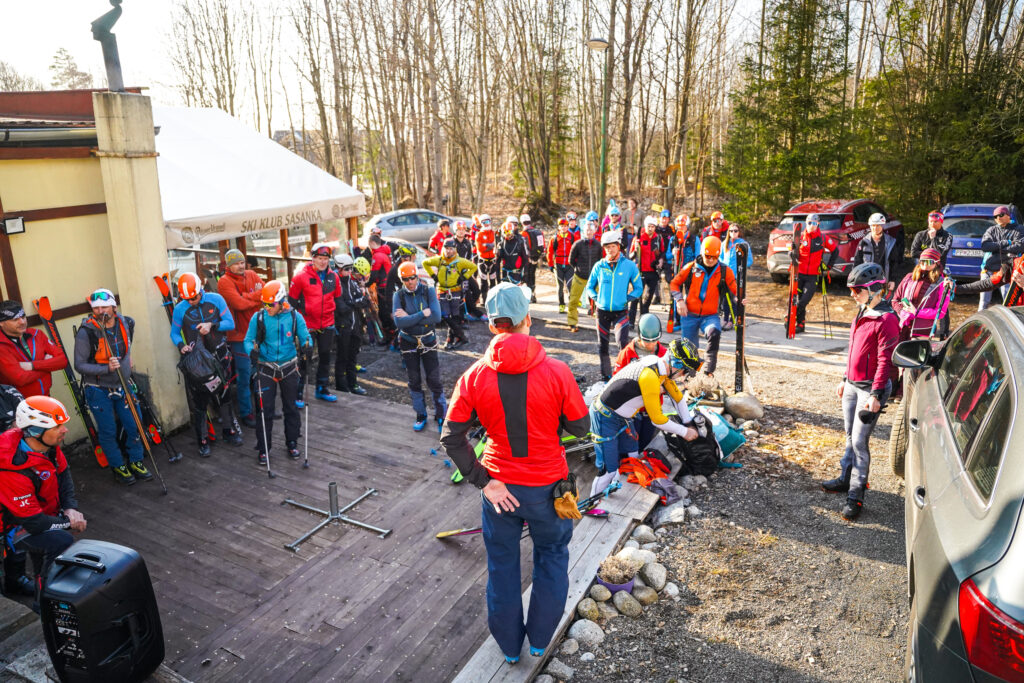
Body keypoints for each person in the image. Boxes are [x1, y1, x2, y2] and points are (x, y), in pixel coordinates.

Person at [440, 282, 589, 664]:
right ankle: (539, 641)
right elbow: (580, 428)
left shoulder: (472, 376)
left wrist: (485, 482)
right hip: (551, 487)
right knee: (553, 557)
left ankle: (509, 647)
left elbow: (451, 437)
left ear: (492, 326)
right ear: (528, 319)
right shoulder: (557, 371)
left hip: (499, 488)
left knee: (502, 567)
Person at [821, 262, 898, 521]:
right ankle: (845, 477)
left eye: (857, 290)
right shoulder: (862, 311)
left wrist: (876, 395)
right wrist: (845, 378)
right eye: (852, 289)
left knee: (859, 442)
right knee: (847, 435)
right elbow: (853, 348)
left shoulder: (887, 319)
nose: (852, 294)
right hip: (853, 385)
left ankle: (856, 493)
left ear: (876, 290)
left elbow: (885, 361)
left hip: (870, 391)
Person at [0, 396, 86, 610]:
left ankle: (39, 600)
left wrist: (70, 507)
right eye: (57, 426)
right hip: (12, 525)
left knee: (45, 553)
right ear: (35, 431)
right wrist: (67, 522)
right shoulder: (12, 468)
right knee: (58, 541)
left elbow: (63, 474)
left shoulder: (48, 446)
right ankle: (45, 603)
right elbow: (34, 523)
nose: (64, 430)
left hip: (35, 515)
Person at [589, 339, 700, 495]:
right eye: (684, 371)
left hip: (623, 417)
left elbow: (678, 398)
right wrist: (685, 431)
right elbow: (657, 419)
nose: (683, 375)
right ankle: (592, 506)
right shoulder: (650, 376)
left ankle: (618, 489)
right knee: (608, 468)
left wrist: (689, 422)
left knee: (633, 454)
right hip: (605, 416)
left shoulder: (659, 366)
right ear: (677, 365)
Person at [75, 289, 155, 483]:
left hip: (123, 384)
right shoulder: (86, 332)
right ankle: (118, 465)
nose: (100, 311)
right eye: (96, 308)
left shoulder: (126, 322)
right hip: (97, 388)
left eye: (104, 306)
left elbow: (127, 345)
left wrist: (127, 361)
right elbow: (79, 365)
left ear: (113, 306)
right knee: (108, 430)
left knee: (134, 424)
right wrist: (106, 368)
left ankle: (136, 460)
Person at [170, 275, 244, 458]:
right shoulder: (180, 309)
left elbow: (230, 323)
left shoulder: (215, 299)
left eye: (194, 297)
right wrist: (181, 346)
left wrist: (212, 325)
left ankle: (229, 431)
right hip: (197, 361)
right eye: (187, 299)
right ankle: (202, 441)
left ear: (200, 289)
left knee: (224, 395)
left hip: (219, 354)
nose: (192, 302)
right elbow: (174, 333)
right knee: (200, 401)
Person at [244, 281, 312, 466]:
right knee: (264, 409)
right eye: (264, 304)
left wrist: (308, 347)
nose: (268, 308)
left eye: (271, 304)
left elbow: (305, 336)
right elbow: (248, 340)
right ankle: (263, 447)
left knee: (291, 407)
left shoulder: (294, 316)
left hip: (289, 367)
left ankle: (292, 442)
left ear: (282, 301)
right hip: (266, 367)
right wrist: (252, 351)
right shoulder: (258, 318)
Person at [670, 237, 739, 377]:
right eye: (708, 256)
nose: (711, 260)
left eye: (714, 257)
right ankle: (691, 379)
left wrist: (742, 298)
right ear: (702, 252)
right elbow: (674, 284)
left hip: (710, 315)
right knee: (689, 351)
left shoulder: (725, 271)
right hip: (689, 315)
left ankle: (708, 371)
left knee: (714, 334)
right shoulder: (690, 267)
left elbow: (737, 290)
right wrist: (679, 300)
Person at [393, 261, 447, 432]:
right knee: (414, 380)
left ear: (417, 276)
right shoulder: (398, 296)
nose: (410, 282)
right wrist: (422, 314)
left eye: (413, 278)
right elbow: (399, 322)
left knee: (434, 380)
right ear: (401, 280)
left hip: (428, 339)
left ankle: (441, 416)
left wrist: (410, 317)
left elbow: (437, 317)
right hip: (408, 341)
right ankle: (420, 414)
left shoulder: (428, 290)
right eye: (406, 279)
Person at [585, 230, 643, 381]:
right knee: (602, 345)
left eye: (612, 246)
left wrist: (627, 298)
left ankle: (623, 375)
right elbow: (589, 286)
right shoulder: (599, 266)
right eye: (606, 247)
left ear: (618, 246)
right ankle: (605, 376)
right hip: (602, 312)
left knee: (622, 344)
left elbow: (639, 288)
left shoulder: (629, 266)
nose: (609, 250)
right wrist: (596, 298)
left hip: (621, 313)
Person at [288, 243, 341, 404]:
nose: (323, 262)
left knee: (325, 357)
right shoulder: (300, 277)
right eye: (320, 258)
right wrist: (298, 323)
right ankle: (297, 393)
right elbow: (291, 303)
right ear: (313, 258)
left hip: (327, 323)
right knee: (305, 359)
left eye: (326, 259)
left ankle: (322, 389)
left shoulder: (334, 276)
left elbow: (337, 298)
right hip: (308, 325)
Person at [217, 249, 264, 427]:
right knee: (244, 375)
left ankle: (261, 406)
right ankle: (246, 413)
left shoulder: (252, 274)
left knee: (260, 372)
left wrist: (247, 296)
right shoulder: (224, 282)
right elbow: (239, 304)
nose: (241, 265)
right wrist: (255, 297)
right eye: (237, 263)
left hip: (257, 333)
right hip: (238, 336)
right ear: (229, 265)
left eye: (242, 262)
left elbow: (266, 294)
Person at [613, 313, 671, 450]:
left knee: (645, 441)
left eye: (654, 341)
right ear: (639, 336)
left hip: (652, 410)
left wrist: (661, 389)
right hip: (632, 411)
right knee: (630, 443)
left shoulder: (663, 353)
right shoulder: (627, 353)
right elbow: (616, 380)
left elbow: (669, 380)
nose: (651, 345)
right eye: (647, 341)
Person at [0, 301, 66, 399]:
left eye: (23, 317)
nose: (22, 322)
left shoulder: (37, 334)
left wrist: (32, 365)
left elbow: (63, 361)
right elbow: (20, 378)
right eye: (15, 319)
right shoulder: (2, 346)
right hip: (19, 405)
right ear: (1, 323)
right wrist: (47, 366)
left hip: (46, 397)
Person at [423, 238, 478, 349]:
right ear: (444, 249)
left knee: (455, 315)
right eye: (447, 248)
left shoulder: (460, 261)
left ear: (455, 249)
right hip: (442, 291)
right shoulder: (439, 260)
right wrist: (433, 276)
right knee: (445, 315)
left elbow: (473, 267)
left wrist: (463, 277)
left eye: (451, 249)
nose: (449, 251)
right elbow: (425, 263)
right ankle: (462, 336)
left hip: (455, 291)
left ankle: (450, 340)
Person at [790, 214, 839, 334]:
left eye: (815, 223)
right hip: (798, 273)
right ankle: (800, 324)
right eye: (810, 223)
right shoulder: (799, 236)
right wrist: (791, 253)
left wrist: (829, 266)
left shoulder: (823, 238)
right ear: (806, 223)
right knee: (797, 299)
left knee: (804, 300)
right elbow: (791, 252)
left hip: (812, 275)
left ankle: (790, 316)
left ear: (818, 224)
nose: (812, 226)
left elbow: (835, 250)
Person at [891, 248, 952, 341]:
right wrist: (902, 312)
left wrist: (917, 312)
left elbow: (940, 312)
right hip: (903, 328)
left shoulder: (942, 283)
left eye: (929, 261)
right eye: (922, 261)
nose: (925, 264)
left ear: (937, 263)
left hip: (923, 333)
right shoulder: (909, 277)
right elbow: (895, 300)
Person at [333, 254, 369, 395]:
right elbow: (341, 308)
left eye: (351, 269)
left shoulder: (352, 283)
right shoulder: (335, 283)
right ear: (339, 268)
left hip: (355, 326)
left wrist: (352, 303)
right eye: (346, 269)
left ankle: (352, 384)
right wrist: (355, 302)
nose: (349, 272)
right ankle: (341, 386)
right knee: (342, 357)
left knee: (353, 357)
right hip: (343, 327)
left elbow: (365, 301)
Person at [978, 205, 1024, 310]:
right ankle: (979, 326)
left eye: (1001, 215)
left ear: (1008, 216)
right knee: (983, 303)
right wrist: (1006, 243)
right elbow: (985, 246)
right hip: (989, 270)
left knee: (1008, 304)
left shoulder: (1019, 229)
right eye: (995, 216)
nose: (998, 218)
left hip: (1007, 271)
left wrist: (996, 248)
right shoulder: (991, 230)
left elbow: (1019, 247)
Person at [566, 215, 603, 333]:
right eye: (586, 229)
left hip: (594, 277)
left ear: (594, 231)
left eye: (591, 229)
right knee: (573, 300)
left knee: (600, 301)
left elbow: (601, 260)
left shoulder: (598, 245)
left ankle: (600, 323)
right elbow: (571, 260)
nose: (588, 231)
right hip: (579, 277)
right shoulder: (577, 244)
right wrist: (578, 269)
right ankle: (572, 323)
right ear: (583, 230)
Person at [628, 216, 663, 324]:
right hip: (640, 271)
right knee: (635, 298)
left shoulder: (658, 239)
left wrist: (661, 261)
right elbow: (630, 256)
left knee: (647, 300)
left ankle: (643, 323)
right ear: (645, 226)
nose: (650, 229)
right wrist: (636, 249)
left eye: (653, 226)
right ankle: (630, 322)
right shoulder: (638, 238)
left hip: (653, 272)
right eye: (649, 226)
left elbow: (662, 253)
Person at [853, 213, 899, 293]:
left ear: (883, 225)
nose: (875, 228)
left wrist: (893, 280)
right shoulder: (863, 242)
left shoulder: (891, 242)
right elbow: (857, 262)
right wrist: (855, 282)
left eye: (878, 225)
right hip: (867, 282)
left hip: (884, 282)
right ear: (870, 226)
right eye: (873, 225)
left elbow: (894, 262)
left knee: (883, 304)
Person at [453, 220, 484, 319]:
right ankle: (473, 312)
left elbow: (470, 259)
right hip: (455, 274)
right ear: (455, 230)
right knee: (465, 293)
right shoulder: (451, 242)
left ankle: (471, 308)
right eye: (459, 230)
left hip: (466, 272)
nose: (461, 232)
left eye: (463, 230)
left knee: (476, 289)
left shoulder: (467, 243)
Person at [546, 218, 576, 314]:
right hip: (558, 265)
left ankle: (572, 307)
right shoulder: (554, 238)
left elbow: (577, 251)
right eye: (562, 226)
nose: (564, 228)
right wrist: (550, 264)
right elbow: (549, 252)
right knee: (560, 287)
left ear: (568, 227)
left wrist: (576, 263)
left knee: (570, 286)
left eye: (566, 226)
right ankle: (561, 305)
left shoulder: (572, 237)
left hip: (569, 265)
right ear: (559, 227)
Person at [475, 214, 499, 313]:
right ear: (481, 223)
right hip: (483, 261)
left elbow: (497, 245)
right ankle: (484, 300)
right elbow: (480, 249)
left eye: (487, 221)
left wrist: (488, 245)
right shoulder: (479, 234)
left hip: (493, 260)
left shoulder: (493, 233)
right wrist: (490, 246)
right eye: (484, 222)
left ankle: (493, 300)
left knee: (493, 281)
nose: (486, 224)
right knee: (483, 282)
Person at [520, 214, 544, 302]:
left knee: (526, 276)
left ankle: (529, 296)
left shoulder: (524, 233)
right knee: (532, 275)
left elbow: (524, 247)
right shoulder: (537, 232)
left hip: (527, 259)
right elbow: (542, 246)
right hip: (536, 257)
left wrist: (527, 258)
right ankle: (533, 295)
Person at [498, 217, 528, 285]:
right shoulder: (501, 241)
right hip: (505, 272)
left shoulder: (521, 239)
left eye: (516, 224)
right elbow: (498, 260)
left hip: (516, 273)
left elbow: (525, 258)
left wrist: (525, 273)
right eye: (512, 224)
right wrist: (498, 277)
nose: (514, 226)